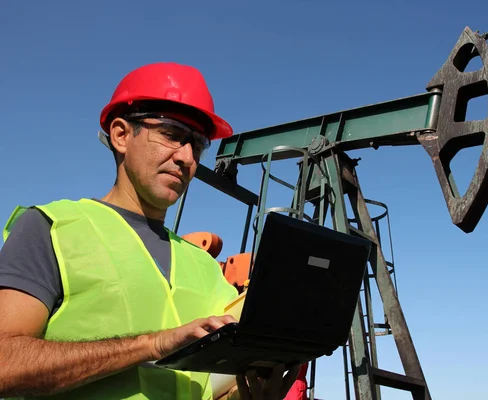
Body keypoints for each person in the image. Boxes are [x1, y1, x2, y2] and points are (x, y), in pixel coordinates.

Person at [0, 62, 300, 400]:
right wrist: (151, 344)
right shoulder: (53, 228)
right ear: (121, 135)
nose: (187, 157)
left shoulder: (202, 265)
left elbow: (203, 391)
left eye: (197, 145)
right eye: (172, 135)